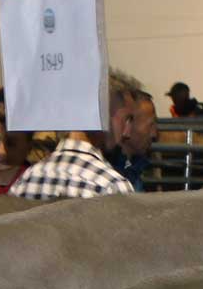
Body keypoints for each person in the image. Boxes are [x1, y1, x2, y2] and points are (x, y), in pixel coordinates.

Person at [7, 72, 140, 200]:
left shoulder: (24, 182)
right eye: (126, 119)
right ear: (100, 113)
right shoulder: (112, 188)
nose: (127, 133)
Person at [106, 88, 157, 190]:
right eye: (150, 125)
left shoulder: (139, 168)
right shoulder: (110, 178)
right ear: (128, 123)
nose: (154, 133)